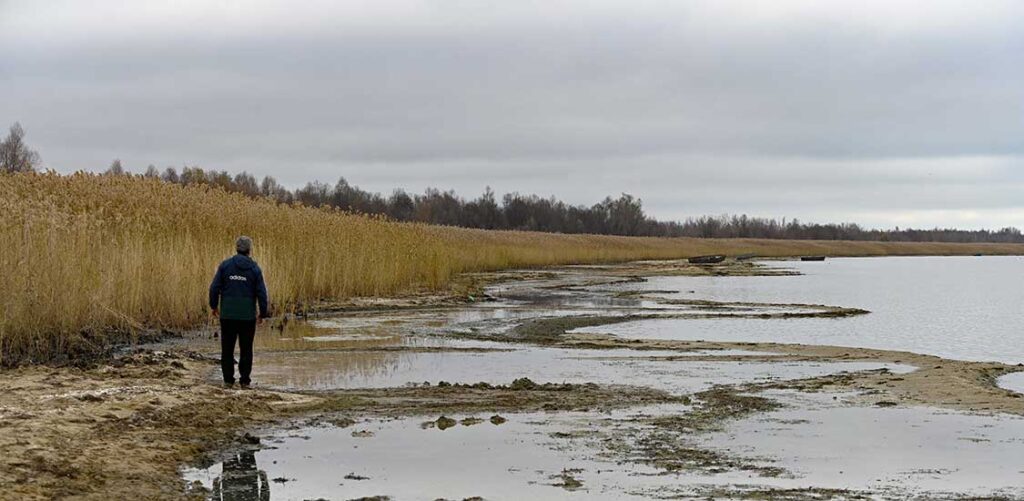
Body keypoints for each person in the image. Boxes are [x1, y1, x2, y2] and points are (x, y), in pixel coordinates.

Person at [209, 236, 269, 389]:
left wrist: (214, 306)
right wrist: (262, 313)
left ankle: (228, 380)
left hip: (228, 315)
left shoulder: (225, 266)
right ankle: (244, 381)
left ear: (237, 248)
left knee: (227, 349)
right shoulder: (255, 268)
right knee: (246, 349)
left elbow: (214, 288)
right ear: (249, 250)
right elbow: (262, 293)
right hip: (247, 317)